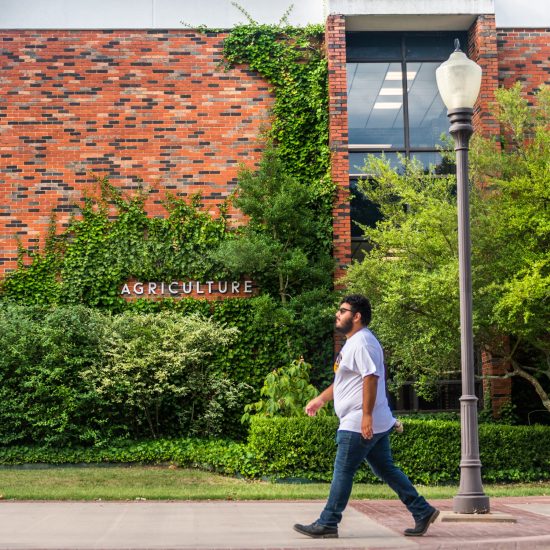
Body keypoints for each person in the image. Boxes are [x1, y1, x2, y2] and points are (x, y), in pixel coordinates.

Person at [293, 294, 439, 539]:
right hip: (371, 419)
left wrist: (366, 417)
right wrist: (320, 400)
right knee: (386, 469)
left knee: (343, 470)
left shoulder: (362, 343)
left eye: (343, 310)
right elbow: (344, 382)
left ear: (357, 316)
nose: (337, 314)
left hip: (359, 420)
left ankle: (328, 522)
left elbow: (370, 377)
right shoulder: (353, 343)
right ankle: (421, 510)